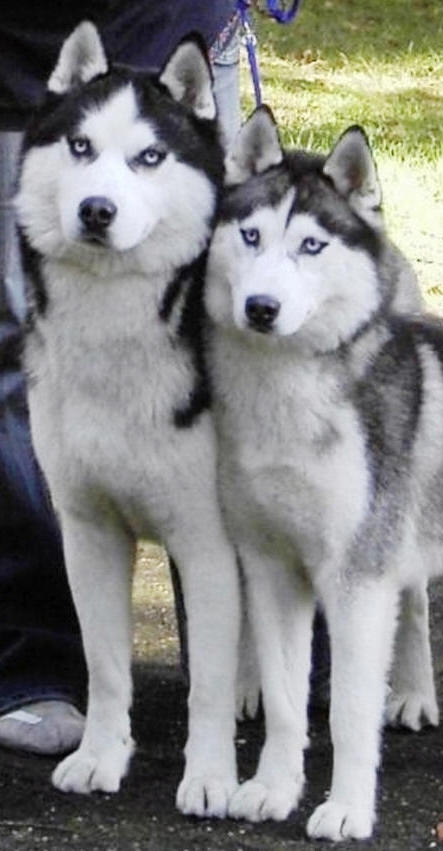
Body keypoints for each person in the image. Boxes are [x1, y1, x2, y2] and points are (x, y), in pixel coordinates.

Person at [0, 1, 240, 756]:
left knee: (237, 334)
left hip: (180, 26)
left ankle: (268, 652)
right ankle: (36, 658)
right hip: (13, 57)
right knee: (17, 355)